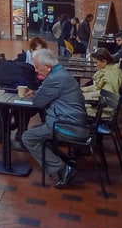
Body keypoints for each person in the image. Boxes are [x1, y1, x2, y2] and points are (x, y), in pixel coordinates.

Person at [21, 48, 89, 189]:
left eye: (37, 67)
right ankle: (64, 164)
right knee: (40, 135)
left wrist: (37, 93)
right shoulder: (61, 73)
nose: (36, 70)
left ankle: (62, 169)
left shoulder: (53, 79)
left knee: (28, 137)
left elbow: (38, 103)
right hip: (75, 123)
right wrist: (37, 92)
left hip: (68, 126)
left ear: (47, 67)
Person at [80, 47, 122, 116]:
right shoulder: (110, 70)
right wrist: (83, 90)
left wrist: (84, 95)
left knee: (75, 108)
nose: (94, 65)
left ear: (104, 62)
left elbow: (106, 94)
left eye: (96, 62)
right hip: (103, 106)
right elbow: (97, 87)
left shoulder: (109, 75)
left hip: (104, 111)